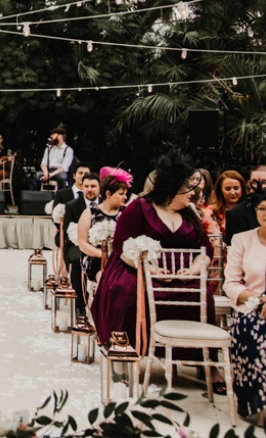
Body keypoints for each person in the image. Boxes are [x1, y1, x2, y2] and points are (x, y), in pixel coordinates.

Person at [90, 152, 218, 368]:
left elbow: (205, 250)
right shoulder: (140, 207)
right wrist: (149, 269)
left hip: (182, 276)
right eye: (188, 188)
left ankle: (204, 363)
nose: (194, 193)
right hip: (137, 269)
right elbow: (122, 246)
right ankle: (129, 352)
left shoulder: (190, 214)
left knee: (202, 294)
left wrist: (193, 271)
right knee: (129, 292)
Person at [223, 184, 266, 418]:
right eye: (262, 208)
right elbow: (231, 284)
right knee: (257, 331)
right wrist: (263, 300)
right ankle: (255, 401)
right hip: (252, 307)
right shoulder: (242, 240)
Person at [75, 171, 131, 305]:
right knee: (106, 279)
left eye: (125, 194)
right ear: (108, 194)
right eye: (121, 194)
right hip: (95, 258)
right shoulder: (90, 213)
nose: (125, 197)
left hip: (122, 257)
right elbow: (82, 243)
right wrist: (104, 255)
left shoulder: (127, 213)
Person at [62, 173, 99, 316]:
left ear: (99, 188)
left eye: (93, 186)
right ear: (81, 188)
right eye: (86, 186)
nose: (89, 189)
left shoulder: (104, 206)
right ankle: (80, 304)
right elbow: (66, 233)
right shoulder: (72, 206)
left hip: (99, 246)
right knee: (78, 260)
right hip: (75, 245)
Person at [225, 166, 266, 246]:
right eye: (254, 182)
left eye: (264, 182)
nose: (259, 186)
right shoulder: (235, 214)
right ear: (249, 183)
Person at [206, 170, 247, 238]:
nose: (233, 192)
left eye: (236, 188)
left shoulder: (250, 210)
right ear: (221, 190)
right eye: (228, 189)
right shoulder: (210, 212)